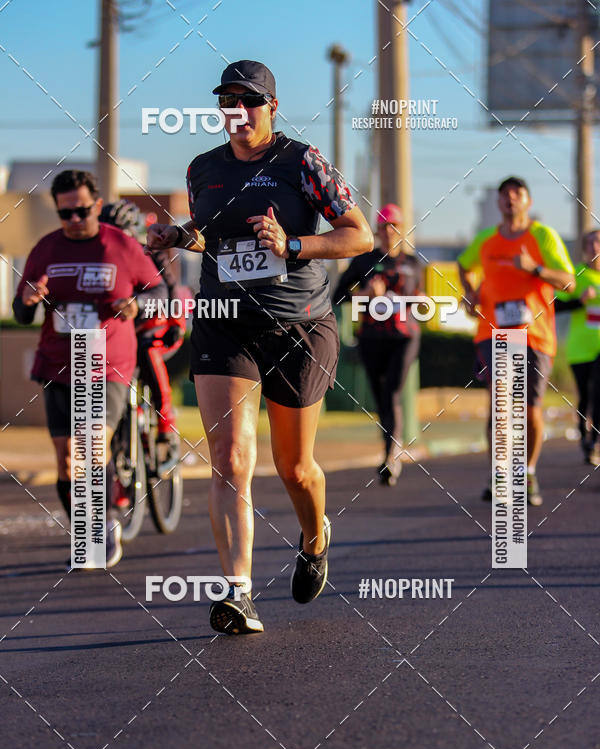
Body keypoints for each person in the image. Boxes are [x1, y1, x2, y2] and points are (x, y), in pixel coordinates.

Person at [147, 59, 373, 635]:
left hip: (298, 325)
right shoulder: (203, 169)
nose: (238, 111)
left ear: (272, 107)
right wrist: (180, 236)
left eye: (249, 101)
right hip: (225, 322)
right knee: (229, 461)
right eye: (228, 101)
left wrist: (291, 243)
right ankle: (237, 594)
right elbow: (212, 236)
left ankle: (315, 539)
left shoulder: (303, 162)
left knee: (294, 468)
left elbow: (359, 235)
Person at [12, 170, 162, 567]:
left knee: (90, 446)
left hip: (107, 363)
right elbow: (20, 311)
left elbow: (159, 290)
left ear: (97, 205)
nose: (75, 220)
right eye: (66, 213)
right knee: (66, 460)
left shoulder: (122, 245)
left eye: (82, 210)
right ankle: (89, 529)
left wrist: (137, 306)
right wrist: (28, 301)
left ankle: (103, 525)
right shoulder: (46, 248)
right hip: (58, 363)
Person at [458, 176, 575, 506]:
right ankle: (499, 476)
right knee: (500, 405)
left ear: (528, 201)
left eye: (517, 193)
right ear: (498, 202)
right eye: (504, 194)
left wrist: (535, 269)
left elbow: (568, 282)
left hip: (534, 335)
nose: (510, 198)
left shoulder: (543, 236)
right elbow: (464, 265)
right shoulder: (486, 239)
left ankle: (528, 472)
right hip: (492, 333)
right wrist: (470, 293)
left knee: (530, 410)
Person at [332, 202, 421, 485]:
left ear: (402, 229)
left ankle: (391, 454)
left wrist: (420, 302)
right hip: (371, 336)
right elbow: (338, 295)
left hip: (404, 337)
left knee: (392, 391)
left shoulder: (412, 263)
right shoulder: (363, 261)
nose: (389, 232)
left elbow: (421, 299)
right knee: (380, 396)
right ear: (377, 230)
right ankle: (390, 447)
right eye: (384, 226)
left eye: (394, 226)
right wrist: (366, 293)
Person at [99, 200, 187, 455]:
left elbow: (170, 289)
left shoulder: (150, 254)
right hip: (118, 334)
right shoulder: (98, 260)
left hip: (151, 327)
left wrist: (176, 322)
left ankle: (166, 421)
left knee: (148, 350)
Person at [555, 230, 600, 464]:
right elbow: (554, 306)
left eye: (598, 242)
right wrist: (579, 301)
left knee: (599, 393)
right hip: (580, 347)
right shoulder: (575, 274)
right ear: (584, 248)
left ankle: (594, 441)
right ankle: (584, 436)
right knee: (585, 395)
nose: (595, 247)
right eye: (590, 243)